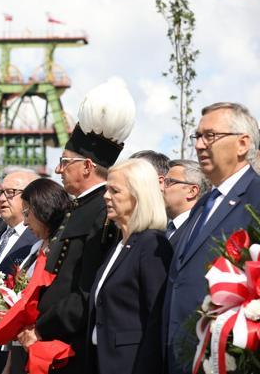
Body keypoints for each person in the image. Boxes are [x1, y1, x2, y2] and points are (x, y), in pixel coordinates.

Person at [15, 78, 134, 374]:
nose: (58, 169)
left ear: (87, 167)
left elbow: (87, 290)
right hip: (50, 341)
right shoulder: (78, 207)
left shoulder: (103, 213)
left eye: (65, 161)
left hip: (72, 348)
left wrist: (42, 328)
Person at [164, 102, 260, 374]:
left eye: (211, 136)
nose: (199, 145)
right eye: (197, 136)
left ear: (242, 144)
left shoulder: (256, 198)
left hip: (228, 358)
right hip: (179, 354)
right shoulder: (204, 204)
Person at [86, 159, 172, 374]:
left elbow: (157, 318)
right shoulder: (120, 244)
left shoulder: (151, 243)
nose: (106, 196)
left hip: (131, 365)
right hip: (102, 361)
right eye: (106, 189)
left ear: (139, 195)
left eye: (115, 190)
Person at [2, 178, 72, 374]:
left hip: (47, 351)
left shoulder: (63, 250)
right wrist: (9, 363)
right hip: (20, 350)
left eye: (27, 214)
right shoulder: (34, 249)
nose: (25, 222)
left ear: (44, 209)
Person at [0, 171, 39, 374]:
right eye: (0, 192)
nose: (2, 198)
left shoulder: (37, 241)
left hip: (13, 350)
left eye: (10, 192)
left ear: (31, 197)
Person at [163, 160, 209, 241]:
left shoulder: (199, 231)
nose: (161, 188)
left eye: (168, 182)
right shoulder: (166, 230)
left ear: (192, 191)